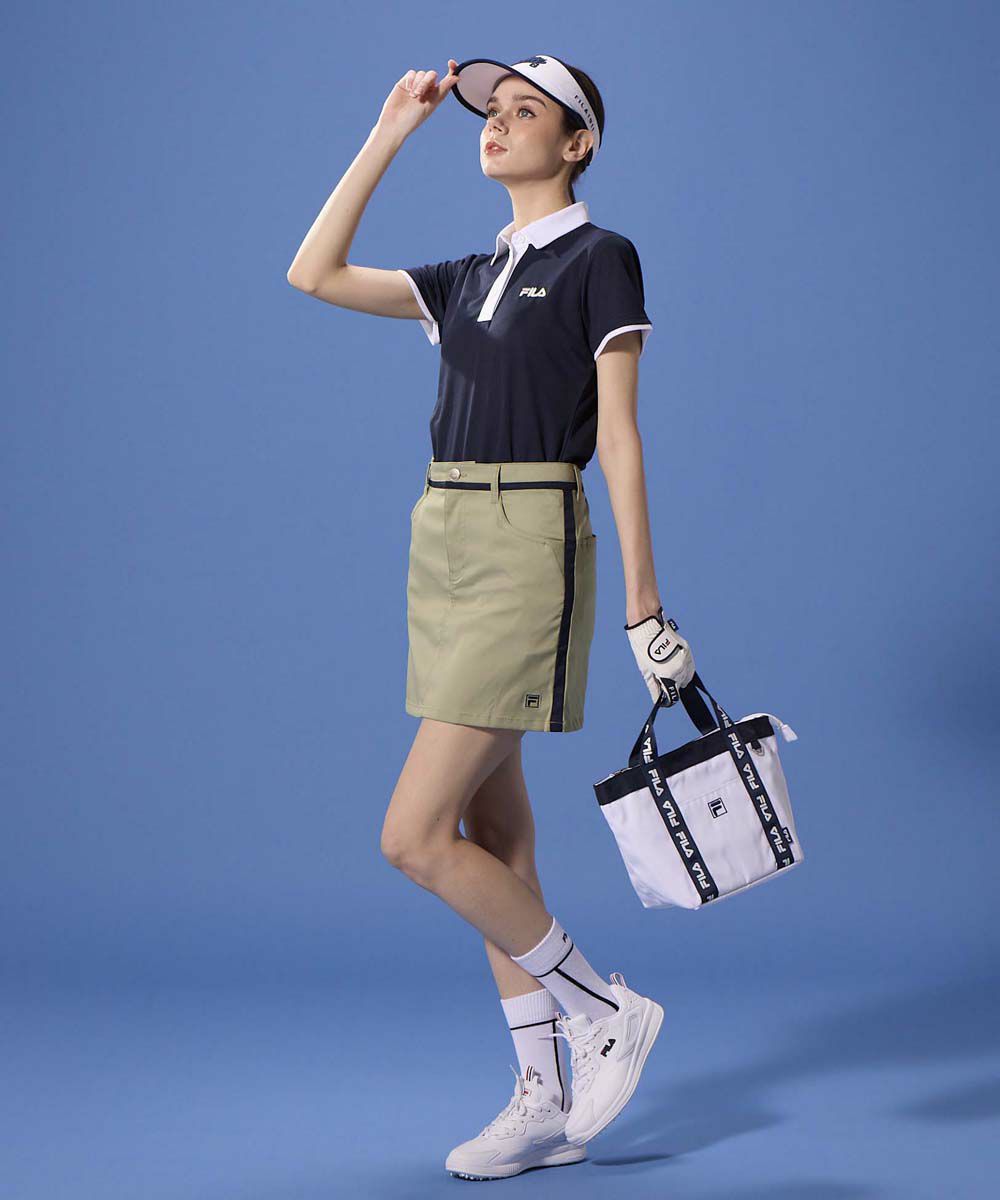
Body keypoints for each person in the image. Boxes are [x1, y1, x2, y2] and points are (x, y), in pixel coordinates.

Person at [287, 52, 696, 1182]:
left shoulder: (600, 259)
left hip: (527, 539)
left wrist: (645, 603)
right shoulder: (469, 274)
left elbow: (620, 434)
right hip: (444, 538)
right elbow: (313, 272)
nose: (499, 124)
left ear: (578, 144)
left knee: (414, 837)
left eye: (527, 112)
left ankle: (603, 1011)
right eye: (492, 112)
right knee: (496, 839)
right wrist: (390, 130)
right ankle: (544, 1102)